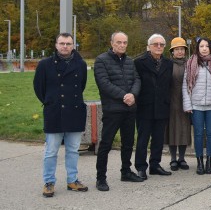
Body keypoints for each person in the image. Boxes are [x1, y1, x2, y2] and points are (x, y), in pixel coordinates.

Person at [34, 33, 89, 197]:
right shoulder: (45, 64)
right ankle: (49, 182)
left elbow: (81, 86)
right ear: (56, 45)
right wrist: (51, 101)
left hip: (75, 111)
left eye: (68, 43)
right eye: (62, 43)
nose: (65, 46)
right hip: (54, 111)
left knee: (73, 150)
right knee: (51, 151)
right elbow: (39, 87)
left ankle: (72, 180)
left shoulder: (80, 64)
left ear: (73, 46)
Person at [94, 31, 144, 191]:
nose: (122, 45)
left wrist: (133, 95)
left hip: (129, 109)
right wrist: (124, 96)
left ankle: (126, 171)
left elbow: (137, 79)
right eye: (119, 42)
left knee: (128, 142)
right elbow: (104, 83)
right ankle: (101, 177)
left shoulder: (130, 61)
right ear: (111, 43)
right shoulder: (101, 60)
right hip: (113, 110)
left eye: (124, 42)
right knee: (106, 144)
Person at [134, 34, 173, 179]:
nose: (158, 47)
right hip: (145, 106)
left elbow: (170, 85)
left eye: (161, 44)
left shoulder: (168, 63)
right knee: (143, 138)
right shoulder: (139, 62)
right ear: (148, 46)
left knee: (158, 138)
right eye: (155, 44)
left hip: (162, 106)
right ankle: (141, 167)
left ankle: (155, 165)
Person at [182, 37, 211, 175]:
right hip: (196, 105)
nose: (204, 48)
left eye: (207, 46)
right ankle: (199, 163)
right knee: (198, 134)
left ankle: (209, 161)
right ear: (197, 48)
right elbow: (185, 85)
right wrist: (188, 104)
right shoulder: (191, 62)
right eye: (201, 46)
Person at [165, 37, 191, 171]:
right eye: (177, 49)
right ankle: (173, 159)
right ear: (172, 52)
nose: (180, 52)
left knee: (184, 130)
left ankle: (182, 158)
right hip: (171, 101)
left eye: (182, 49)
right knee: (172, 130)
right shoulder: (168, 64)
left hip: (186, 101)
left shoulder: (190, 64)